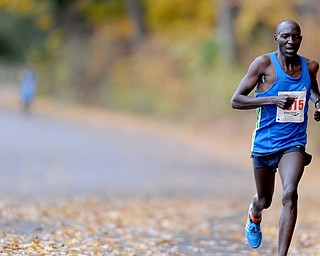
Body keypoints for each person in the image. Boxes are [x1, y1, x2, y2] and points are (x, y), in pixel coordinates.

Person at [231, 19, 320, 255]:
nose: (291, 41)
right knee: (265, 199)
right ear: (276, 38)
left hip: (293, 143)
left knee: (290, 193)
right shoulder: (263, 64)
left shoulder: (310, 66)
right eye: (286, 36)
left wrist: (318, 102)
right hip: (264, 144)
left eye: (296, 36)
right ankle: (254, 212)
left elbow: (311, 88)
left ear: (301, 38)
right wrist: (272, 99)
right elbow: (236, 100)